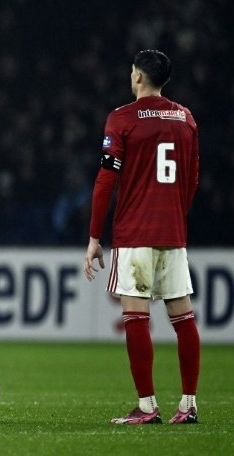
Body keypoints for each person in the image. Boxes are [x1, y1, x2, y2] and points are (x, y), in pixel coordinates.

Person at [84, 50, 200, 425]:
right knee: (183, 319)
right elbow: (192, 178)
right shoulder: (185, 118)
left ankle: (147, 406)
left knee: (136, 318)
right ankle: (189, 404)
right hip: (173, 232)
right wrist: (175, 217)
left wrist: (93, 236)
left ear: (137, 77)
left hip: (135, 231)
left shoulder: (122, 118)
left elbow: (106, 179)